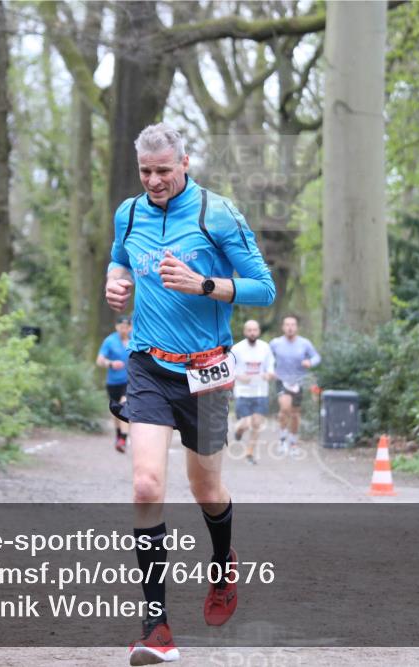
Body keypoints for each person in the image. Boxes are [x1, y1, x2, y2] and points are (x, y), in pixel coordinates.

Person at [105, 123, 275, 665]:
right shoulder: (129, 213)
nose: (154, 180)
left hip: (205, 370)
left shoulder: (216, 214)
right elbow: (119, 257)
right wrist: (115, 281)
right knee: (146, 485)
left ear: (184, 163)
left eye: (164, 170)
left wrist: (203, 284)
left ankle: (222, 565)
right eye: (145, 171)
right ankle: (156, 627)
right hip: (149, 366)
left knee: (207, 489)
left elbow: (264, 289)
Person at [269, 315, 321, 454]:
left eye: (292, 325)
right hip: (281, 379)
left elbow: (317, 357)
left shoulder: (304, 343)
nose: (290, 327)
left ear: (297, 327)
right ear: (283, 327)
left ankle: (293, 442)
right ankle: (282, 439)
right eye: (287, 325)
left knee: (295, 414)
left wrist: (310, 362)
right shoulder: (276, 343)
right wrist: (270, 370)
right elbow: (266, 357)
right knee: (285, 408)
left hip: (299, 381)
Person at [230, 319, 274, 464]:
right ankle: (238, 431)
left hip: (261, 391)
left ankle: (249, 453)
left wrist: (269, 374)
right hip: (243, 391)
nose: (252, 333)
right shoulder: (237, 348)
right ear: (245, 332)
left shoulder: (265, 347)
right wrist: (239, 376)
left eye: (255, 330)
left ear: (259, 331)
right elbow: (229, 368)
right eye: (249, 330)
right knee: (246, 423)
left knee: (257, 423)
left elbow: (270, 367)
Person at [97, 315, 132, 452]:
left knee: (124, 405)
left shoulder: (134, 340)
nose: (124, 329)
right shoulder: (109, 341)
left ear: (131, 328)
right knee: (115, 411)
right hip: (113, 382)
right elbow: (100, 360)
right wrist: (110, 363)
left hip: (129, 381)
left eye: (127, 327)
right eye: (121, 327)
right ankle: (118, 434)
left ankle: (123, 438)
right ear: (116, 327)